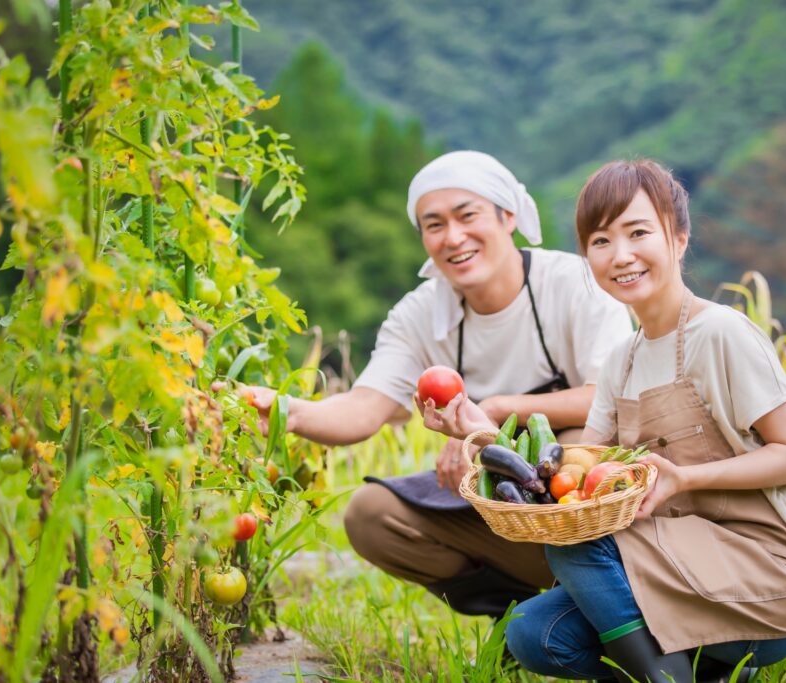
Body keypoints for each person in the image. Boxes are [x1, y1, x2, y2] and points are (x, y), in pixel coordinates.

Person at [421, 159, 786, 682]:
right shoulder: (622, 360)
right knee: (533, 633)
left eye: (638, 233)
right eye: (601, 241)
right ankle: (708, 675)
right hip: (670, 571)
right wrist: (481, 429)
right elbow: (574, 483)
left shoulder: (722, 334)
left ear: (678, 239)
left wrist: (686, 478)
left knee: (577, 543)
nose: (621, 255)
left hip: (764, 579)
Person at [227, 151, 634, 618]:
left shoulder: (572, 283)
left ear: (508, 217)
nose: (453, 237)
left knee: (580, 444)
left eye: (467, 216)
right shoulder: (418, 314)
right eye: (433, 224)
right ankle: (512, 614)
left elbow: (609, 398)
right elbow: (364, 407)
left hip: (580, 503)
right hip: (494, 498)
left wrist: (495, 412)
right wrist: (288, 411)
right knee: (371, 514)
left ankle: (597, 601)